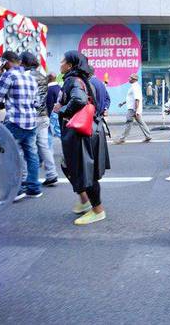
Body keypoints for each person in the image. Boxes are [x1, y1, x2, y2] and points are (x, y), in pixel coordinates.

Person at [54, 51, 110, 225]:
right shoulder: (84, 80)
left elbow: (78, 100)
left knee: (86, 171)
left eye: (63, 60)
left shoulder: (73, 81)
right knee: (71, 166)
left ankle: (97, 210)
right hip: (89, 131)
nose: (60, 63)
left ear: (70, 65)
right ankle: (85, 200)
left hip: (80, 134)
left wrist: (61, 109)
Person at [0, 51, 42, 200]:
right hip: (31, 122)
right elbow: (37, 103)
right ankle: (34, 188)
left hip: (14, 122)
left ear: (5, 62)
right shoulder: (31, 77)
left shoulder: (8, 75)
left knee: (9, 156)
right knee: (31, 155)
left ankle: (16, 190)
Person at [20, 52, 59, 187]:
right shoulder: (43, 77)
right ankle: (52, 174)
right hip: (43, 116)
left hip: (30, 116)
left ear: (23, 62)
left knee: (27, 148)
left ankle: (26, 178)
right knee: (44, 146)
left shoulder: (25, 76)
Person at [113, 73, 152, 144]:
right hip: (134, 108)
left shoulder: (135, 87)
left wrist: (136, 110)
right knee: (141, 122)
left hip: (132, 109)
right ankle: (148, 136)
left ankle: (122, 139)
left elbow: (137, 99)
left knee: (128, 122)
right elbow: (131, 98)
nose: (128, 79)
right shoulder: (134, 86)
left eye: (130, 78)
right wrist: (123, 103)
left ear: (134, 80)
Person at [46, 73, 62, 148]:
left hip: (52, 114)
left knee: (51, 132)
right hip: (58, 113)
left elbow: (49, 104)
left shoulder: (49, 89)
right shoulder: (60, 87)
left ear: (49, 78)